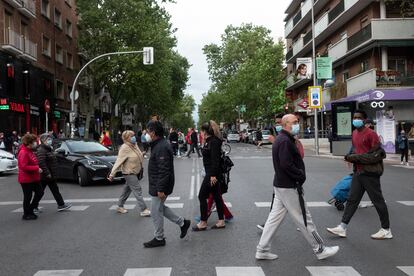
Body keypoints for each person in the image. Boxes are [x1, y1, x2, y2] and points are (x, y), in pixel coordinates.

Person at [256, 114, 339, 261]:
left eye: (297, 122)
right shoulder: (285, 141)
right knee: (304, 219)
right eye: (294, 122)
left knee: (273, 219)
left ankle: (262, 249)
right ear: (285, 124)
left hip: (281, 185)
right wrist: (300, 175)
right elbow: (286, 164)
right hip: (289, 186)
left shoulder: (283, 139)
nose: (297, 125)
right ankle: (320, 249)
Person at [327, 110, 392, 240]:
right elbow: (355, 149)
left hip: (370, 173)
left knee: (377, 201)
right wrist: (350, 157)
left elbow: (376, 155)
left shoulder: (371, 134)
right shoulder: (355, 133)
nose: (356, 119)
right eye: (354, 117)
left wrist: (354, 158)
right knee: (352, 200)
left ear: (364, 120)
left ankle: (386, 229)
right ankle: (342, 227)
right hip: (358, 172)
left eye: (359, 118)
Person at [143, 120, 190, 248]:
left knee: (155, 211)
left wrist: (160, 189)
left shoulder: (162, 147)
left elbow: (164, 170)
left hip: (160, 185)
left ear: (153, 132)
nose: (147, 134)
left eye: (148, 131)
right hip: (158, 184)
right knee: (159, 208)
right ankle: (182, 223)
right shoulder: (158, 144)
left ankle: (159, 238)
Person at [108, 130, 151, 217]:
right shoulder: (124, 148)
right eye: (131, 136)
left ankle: (120, 206)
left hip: (136, 171)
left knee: (127, 190)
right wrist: (112, 174)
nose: (133, 137)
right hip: (129, 172)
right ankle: (143, 209)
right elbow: (118, 161)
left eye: (133, 135)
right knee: (137, 189)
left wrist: (142, 154)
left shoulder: (134, 145)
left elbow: (137, 155)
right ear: (126, 138)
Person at [192, 120, 226, 231]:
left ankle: (203, 222)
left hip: (212, 174)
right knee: (217, 196)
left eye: (201, 131)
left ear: (205, 131)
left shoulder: (214, 142)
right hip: (211, 173)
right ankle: (221, 221)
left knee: (201, 196)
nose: (200, 133)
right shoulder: (209, 141)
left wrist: (212, 175)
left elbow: (215, 160)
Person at [35, 133, 72, 212]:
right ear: (43, 140)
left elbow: (49, 159)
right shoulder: (41, 150)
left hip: (49, 175)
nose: (50, 140)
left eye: (50, 139)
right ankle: (34, 207)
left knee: (54, 190)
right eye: (48, 139)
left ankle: (61, 205)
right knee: (40, 192)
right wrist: (47, 173)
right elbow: (41, 162)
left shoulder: (48, 149)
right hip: (45, 175)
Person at [17, 134, 44, 220]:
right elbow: (23, 166)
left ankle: (30, 209)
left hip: (33, 178)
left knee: (40, 192)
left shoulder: (30, 151)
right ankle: (26, 214)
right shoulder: (23, 152)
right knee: (28, 197)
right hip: (26, 179)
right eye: (34, 142)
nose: (36, 143)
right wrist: (36, 168)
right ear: (29, 143)